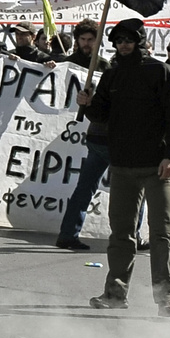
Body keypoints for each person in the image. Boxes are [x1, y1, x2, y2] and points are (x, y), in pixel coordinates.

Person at [77, 18, 170, 317]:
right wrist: (86, 103)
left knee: (162, 234)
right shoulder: (112, 74)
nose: (123, 44)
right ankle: (115, 293)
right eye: (118, 40)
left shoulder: (159, 71)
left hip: (157, 165)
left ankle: (166, 300)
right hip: (123, 164)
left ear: (140, 40)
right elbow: (101, 113)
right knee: (121, 233)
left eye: (128, 39)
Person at [54, 19, 111, 251]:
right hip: (95, 136)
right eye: (83, 40)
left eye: (91, 40)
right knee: (85, 187)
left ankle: (130, 235)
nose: (87, 44)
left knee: (121, 188)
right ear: (77, 40)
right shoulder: (66, 64)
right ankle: (68, 234)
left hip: (99, 133)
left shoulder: (106, 67)